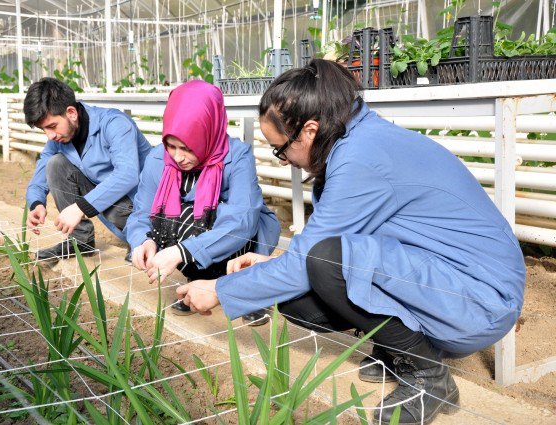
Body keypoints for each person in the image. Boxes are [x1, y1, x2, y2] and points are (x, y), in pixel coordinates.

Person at [176, 60, 525, 424]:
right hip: (441, 278)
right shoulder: (349, 141)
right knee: (297, 296)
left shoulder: (362, 157)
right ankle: (397, 350)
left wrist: (220, 288)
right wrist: (265, 270)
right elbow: (315, 248)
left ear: (309, 130)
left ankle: (428, 378)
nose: (283, 162)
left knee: (325, 261)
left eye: (281, 150)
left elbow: (316, 256)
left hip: (480, 299)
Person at [126, 79, 280, 324]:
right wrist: (140, 240)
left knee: (197, 217)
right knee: (171, 217)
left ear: (207, 131)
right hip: (197, 236)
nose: (177, 157)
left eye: (187, 147)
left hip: (241, 240)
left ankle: (249, 290)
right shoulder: (159, 159)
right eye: (171, 145)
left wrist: (180, 252)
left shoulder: (236, 155)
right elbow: (141, 212)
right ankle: (198, 283)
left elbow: (242, 220)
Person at [25, 77, 152, 261]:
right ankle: (80, 241)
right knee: (55, 164)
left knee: (113, 187)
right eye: (44, 129)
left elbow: (127, 175)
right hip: (113, 209)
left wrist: (80, 207)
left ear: (71, 113)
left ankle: (144, 239)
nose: (50, 135)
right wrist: (36, 203)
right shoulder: (58, 140)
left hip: (144, 209)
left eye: (52, 126)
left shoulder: (114, 123)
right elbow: (40, 174)